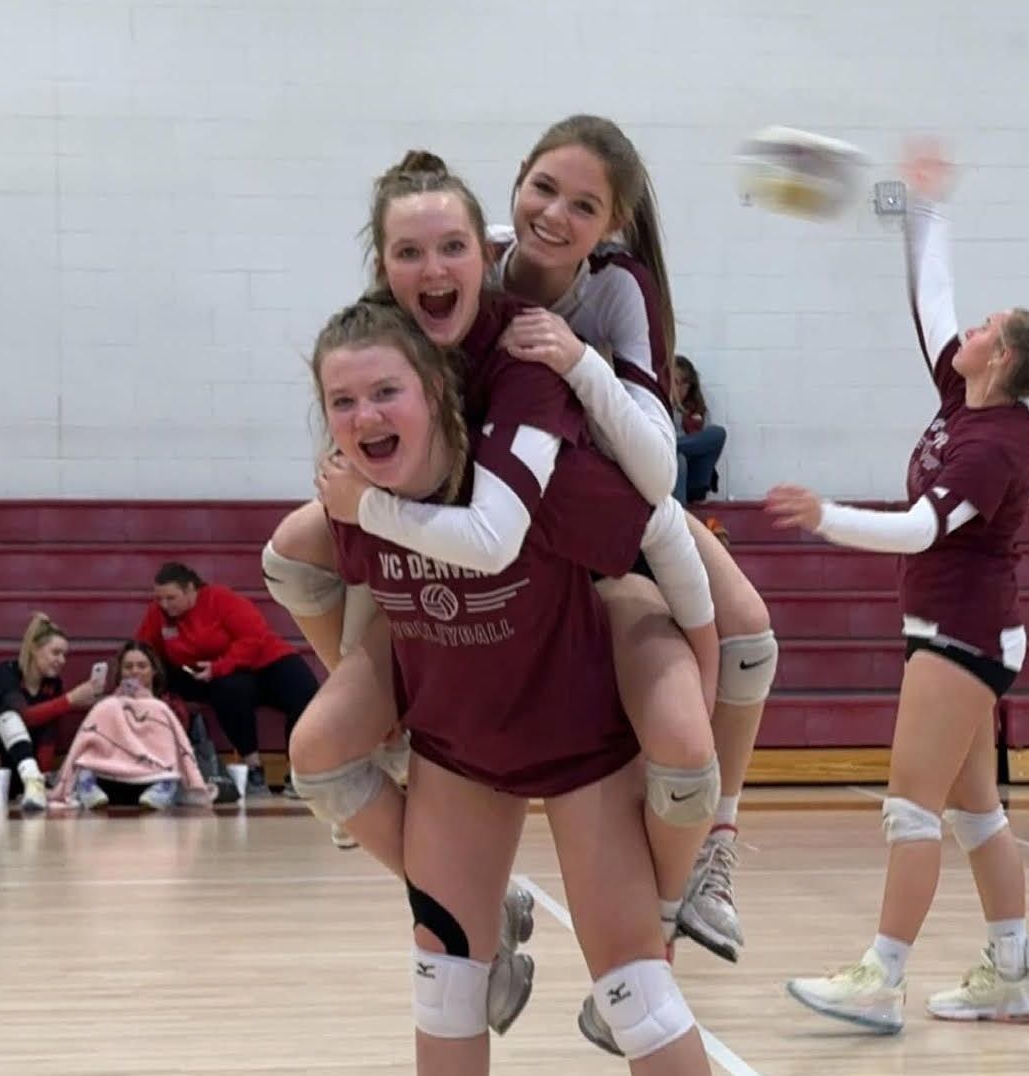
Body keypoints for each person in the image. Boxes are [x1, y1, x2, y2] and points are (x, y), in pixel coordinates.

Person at [272, 118, 777, 968]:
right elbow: (372, 370)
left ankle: (709, 857)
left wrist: (580, 361)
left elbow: (653, 475)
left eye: (584, 205)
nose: (556, 214)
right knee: (293, 555)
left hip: (601, 487)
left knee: (748, 638)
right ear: (513, 184)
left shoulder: (617, 289)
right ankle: (395, 729)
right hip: (470, 493)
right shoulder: (459, 253)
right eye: (544, 188)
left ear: (612, 223)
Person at [310, 293, 713, 1074]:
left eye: (386, 392)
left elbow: (662, 525)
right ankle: (491, 912)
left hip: (584, 755)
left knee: (639, 995)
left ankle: (684, 887)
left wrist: (705, 657)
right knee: (445, 987)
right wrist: (374, 706)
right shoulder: (346, 504)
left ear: (434, 388)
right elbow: (313, 581)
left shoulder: (535, 485)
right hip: (457, 762)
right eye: (342, 402)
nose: (364, 417)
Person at [765, 143, 1029, 1033]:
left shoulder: (995, 446)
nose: (969, 329)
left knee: (910, 807)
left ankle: (881, 977)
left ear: (1003, 358)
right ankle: (1017, 977)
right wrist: (927, 208)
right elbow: (931, 301)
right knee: (976, 816)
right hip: (959, 631)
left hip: (965, 637)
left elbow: (917, 530)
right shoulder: (967, 394)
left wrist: (826, 514)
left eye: (988, 327)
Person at [136, 562, 320, 796]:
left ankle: (300, 771)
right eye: (159, 598)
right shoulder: (158, 614)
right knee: (229, 690)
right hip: (212, 676)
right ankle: (254, 768)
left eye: (171, 598)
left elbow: (254, 637)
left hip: (263, 661)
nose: (164, 604)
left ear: (191, 589)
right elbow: (144, 647)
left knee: (305, 693)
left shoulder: (221, 599)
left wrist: (221, 666)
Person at [50, 640, 215, 811]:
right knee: (106, 707)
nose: (135, 671)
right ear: (120, 673)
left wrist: (147, 703)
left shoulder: (169, 705)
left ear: (154, 671)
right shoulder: (107, 704)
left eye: (142, 666)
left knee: (157, 709)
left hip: (154, 779)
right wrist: (117, 703)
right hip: (107, 779)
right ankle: (87, 785)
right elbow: (86, 741)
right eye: (128, 667)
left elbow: (178, 743)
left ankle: (163, 789)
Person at [0, 612, 102, 811]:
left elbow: (48, 736)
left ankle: (35, 783)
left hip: (30, 776)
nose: (62, 660)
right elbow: (26, 716)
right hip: (2, 770)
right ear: (34, 649)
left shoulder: (53, 684)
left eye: (64, 655)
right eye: (56, 653)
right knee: (8, 718)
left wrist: (43, 777)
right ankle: (32, 779)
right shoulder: (6, 673)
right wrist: (71, 699)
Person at [671, 355, 726, 506]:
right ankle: (680, 519)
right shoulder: (657, 406)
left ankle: (669, 445)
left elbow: (707, 444)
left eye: (685, 383)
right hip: (670, 474)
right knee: (678, 458)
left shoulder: (698, 410)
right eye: (676, 382)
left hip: (694, 477)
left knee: (718, 432)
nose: (680, 388)